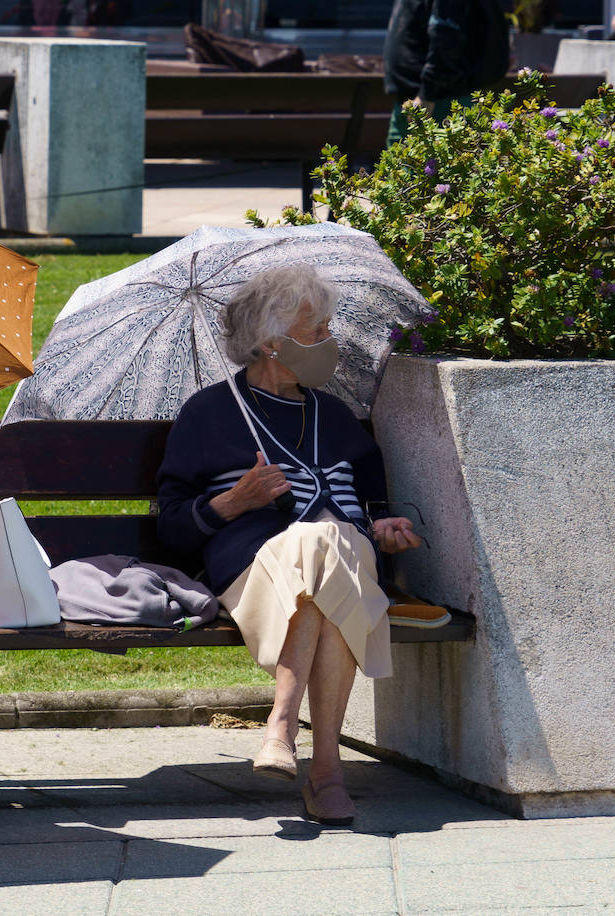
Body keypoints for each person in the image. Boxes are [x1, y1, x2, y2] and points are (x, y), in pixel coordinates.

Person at [156, 264, 427, 826]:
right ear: (271, 342)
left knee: (325, 541)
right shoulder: (210, 414)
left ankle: (282, 726)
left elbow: (375, 508)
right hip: (255, 571)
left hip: (348, 561)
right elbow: (172, 526)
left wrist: (385, 529)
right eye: (318, 329)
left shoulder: (332, 413)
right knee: (317, 546)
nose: (330, 342)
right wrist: (233, 503)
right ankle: (326, 771)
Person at [383, 0, 512, 145]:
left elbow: (445, 34)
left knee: (420, 163)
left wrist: (427, 93)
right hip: (419, 98)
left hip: (436, 100)